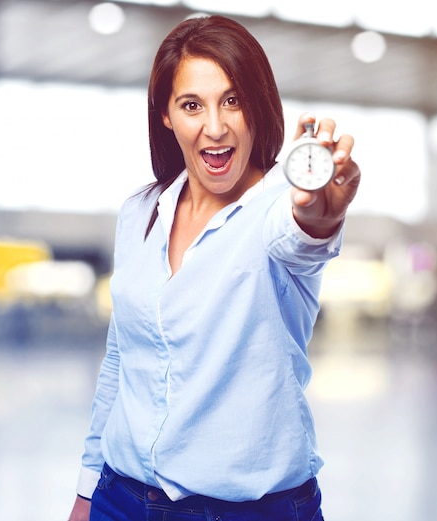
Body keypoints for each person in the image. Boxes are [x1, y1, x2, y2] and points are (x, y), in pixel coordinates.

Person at [68, 14, 360, 521]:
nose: (216, 127)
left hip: (249, 511)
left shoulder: (276, 212)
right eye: (191, 105)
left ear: (258, 105)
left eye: (232, 100)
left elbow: (305, 235)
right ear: (165, 115)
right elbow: (121, 361)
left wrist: (323, 209)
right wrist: (88, 488)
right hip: (122, 498)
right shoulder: (139, 214)